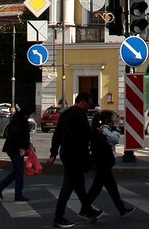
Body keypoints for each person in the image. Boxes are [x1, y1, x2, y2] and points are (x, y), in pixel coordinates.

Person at [47, 92, 100, 229]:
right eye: (88, 104)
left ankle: (87, 210)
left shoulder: (65, 113)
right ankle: (58, 217)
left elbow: (57, 134)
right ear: (82, 102)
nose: (88, 107)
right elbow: (86, 135)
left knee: (79, 184)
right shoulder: (80, 114)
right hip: (76, 154)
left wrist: (53, 153)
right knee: (68, 186)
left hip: (65, 152)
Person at [86, 109, 135, 216]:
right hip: (103, 162)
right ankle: (84, 208)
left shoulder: (101, 129)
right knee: (97, 188)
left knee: (111, 187)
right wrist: (115, 131)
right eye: (112, 121)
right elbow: (114, 139)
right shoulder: (104, 129)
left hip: (103, 162)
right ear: (108, 121)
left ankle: (121, 209)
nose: (114, 123)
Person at [0, 104, 31, 202]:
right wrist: (26, 145)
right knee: (19, 171)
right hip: (15, 149)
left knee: (17, 171)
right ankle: (18, 194)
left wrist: (28, 144)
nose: (29, 117)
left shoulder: (18, 121)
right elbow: (17, 137)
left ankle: (0, 187)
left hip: (15, 149)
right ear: (24, 114)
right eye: (28, 115)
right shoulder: (18, 122)